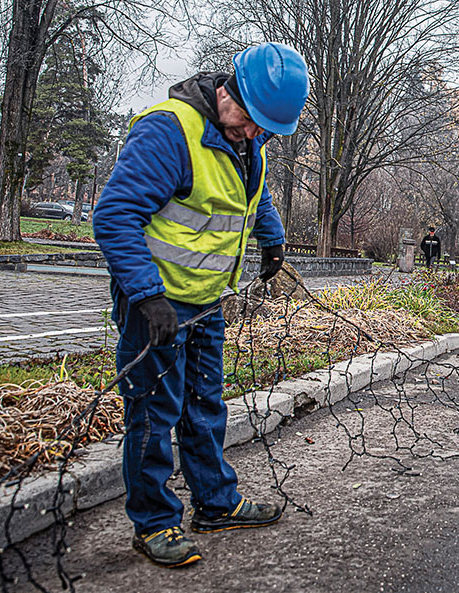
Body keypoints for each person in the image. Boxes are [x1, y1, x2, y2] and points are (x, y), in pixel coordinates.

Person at [93, 42, 309, 568]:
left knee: (205, 406)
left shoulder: (244, 140)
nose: (253, 133)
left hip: (208, 302)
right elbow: (114, 215)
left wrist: (272, 240)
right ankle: (154, 523)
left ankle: (215, 503)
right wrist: (147, 297)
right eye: (249, 121)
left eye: (263, 130)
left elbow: (251, 197)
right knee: (152, 414)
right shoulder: (169, 131)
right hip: (158, 305)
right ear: (226, 89)